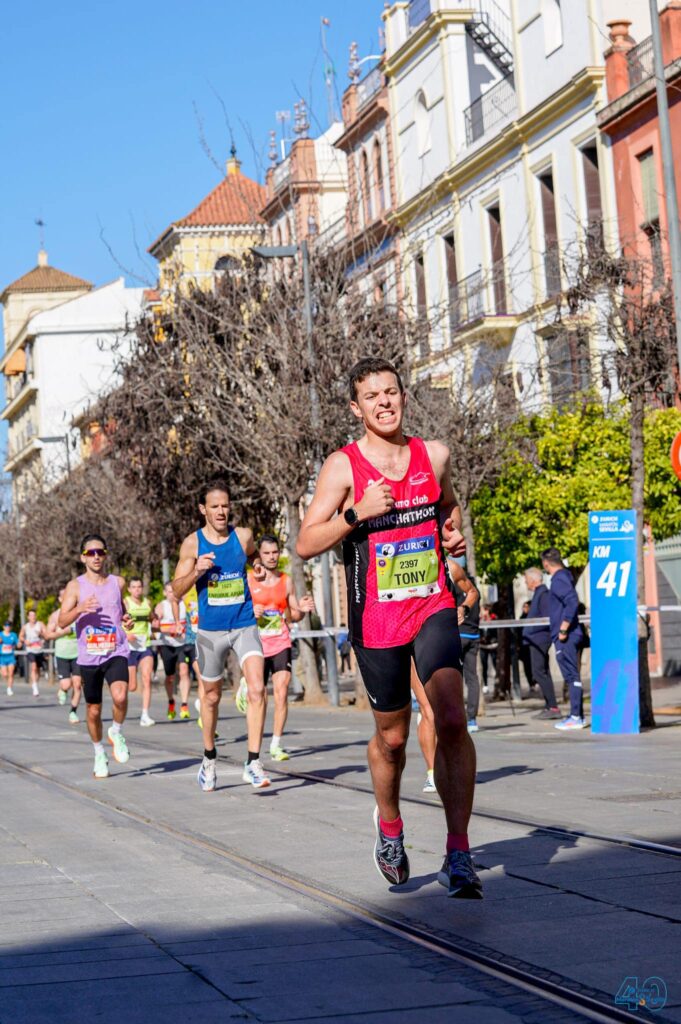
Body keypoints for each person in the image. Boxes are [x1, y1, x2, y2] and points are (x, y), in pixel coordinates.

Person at [296, 356, 482, 899]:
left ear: (403, 396)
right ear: (356, 408)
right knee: (393, 737)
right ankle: (390, 824)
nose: (384, 402)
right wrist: (356, 514)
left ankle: (458, 851)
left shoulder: (434, 456)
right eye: (372, 396)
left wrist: (453, 538)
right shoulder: (343, 467)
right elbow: (306, 542)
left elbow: (448, 511)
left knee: (450, 717)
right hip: (376, 617)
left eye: (391, 392)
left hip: (431, 604)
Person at [172, 480, 270, 792]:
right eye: (214, 506)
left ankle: (253, 762)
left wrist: (255, 567)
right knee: (211, 697)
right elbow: (176, 589)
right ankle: (209, 759)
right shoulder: (192, 544)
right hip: (210, 631)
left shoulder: (242, 536)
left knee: (257, 688)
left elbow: (253, 555)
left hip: (243, 624)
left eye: (225, 505)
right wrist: (197, 571)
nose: (221, 511)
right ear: (203, 510)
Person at [58, 534, 133, 778]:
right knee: (93, 710)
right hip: (89, 657)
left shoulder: (117, 582)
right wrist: (79, 609)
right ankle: (99, 751)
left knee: (121, 696)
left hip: (115, 650)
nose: (96, 556)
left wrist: (127, 619)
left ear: (106, 554)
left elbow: (122, 609)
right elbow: (61, 621)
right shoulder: (75, 586)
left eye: (100, 552)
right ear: (83, 558)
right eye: (91, 553)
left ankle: (117, 731)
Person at [248, 533, 315, 761]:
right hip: (255, 644)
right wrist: (251, 612)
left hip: (280, 641)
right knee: (258, 696)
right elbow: (238, 612)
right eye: (266, 553)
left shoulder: (286, 581)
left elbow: (292, 614)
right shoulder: (249, 580)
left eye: (275, 552)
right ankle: (254, 737)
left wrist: (302, 609)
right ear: (260, 555)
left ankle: (276, 744)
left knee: (282, 691)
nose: (271, 557)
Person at [541, 548, 585, 730]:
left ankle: (576, 716)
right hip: (566, 634)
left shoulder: (559, 580)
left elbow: (572, 601)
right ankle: (576, 715)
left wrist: (564, 628)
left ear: (545, 563)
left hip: (565, 636)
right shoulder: (565, 577)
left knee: (571, 675)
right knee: (571, 676)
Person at [522, 568, 561, 719]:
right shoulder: (539, 594)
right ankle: (549, 706)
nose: (525, 582)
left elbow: (546, 618)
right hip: (536, 638)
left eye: (526, 579)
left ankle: (553, 707)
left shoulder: (543, 594)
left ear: (533, 580)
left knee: (538, 672)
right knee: (542, 672)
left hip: (540, 639)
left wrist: (531, 629)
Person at [45, 590, 82, 724]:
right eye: (65, 597)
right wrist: (64, 632)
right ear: (61, 599)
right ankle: (63, 689)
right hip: (62, 654)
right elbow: (48, 635)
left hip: (78, 654)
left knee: (77, 684)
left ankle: (73, 712)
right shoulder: (55, 616)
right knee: (67, 684)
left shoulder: (79, 614)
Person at [155, 583, 190, 720]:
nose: (172, 594)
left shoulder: (184, 604)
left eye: (174, 591)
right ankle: (171, 701)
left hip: (183, 643)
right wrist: (166, 629)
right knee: (170, 677)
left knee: (184, 671)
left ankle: (185, 704)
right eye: (169, 592)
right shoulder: (161, 606)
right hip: (167, 644)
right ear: (165, 593)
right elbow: (154, 628)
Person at [124, 577, 156, 726]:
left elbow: (152, 619)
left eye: (139, 587)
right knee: (132, 686)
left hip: (145, 646)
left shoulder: (147, 603)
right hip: (129, 648)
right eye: (134, 587)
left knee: (147, 678)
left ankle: (145, 715)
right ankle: (120, 703)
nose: (137, 589)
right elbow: (117, 622)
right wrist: (126, 635)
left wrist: (155, 623)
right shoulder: (125, 603)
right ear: (129, 589)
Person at [19, 609, 45, 697]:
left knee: (37, 670)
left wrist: (41, 634)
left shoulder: (40, 624)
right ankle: (34, 687)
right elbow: (21, 636)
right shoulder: (25, 626)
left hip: (39, 650)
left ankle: (35, 683)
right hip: (30, 649)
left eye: (34, 615)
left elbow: (47, 634)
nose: (33, 617)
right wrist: (25, 641)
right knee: (33, 667)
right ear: (28, 617)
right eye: (31, 615)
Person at [478, 605, 498, 696]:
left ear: (487, 611)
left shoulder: (494, 619)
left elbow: (495, 632)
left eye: (483, 610)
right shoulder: (480, 620)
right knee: (484, 666)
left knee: (495, 664)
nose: (482, 612)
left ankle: (497, 683)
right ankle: (485, 685)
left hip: (493, 645)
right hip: (483, 647)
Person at [0, 621, 19, 695]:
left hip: (11, 656)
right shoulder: (0, 634)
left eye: (9, 626)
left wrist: (20, 643)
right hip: (2, 657)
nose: (7, 627)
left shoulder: (13, 635)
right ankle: (7, 683)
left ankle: (9, 688)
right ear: (3, 627)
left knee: (11, 673)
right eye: (6, 626)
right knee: (5, 674)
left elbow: (17, 644)